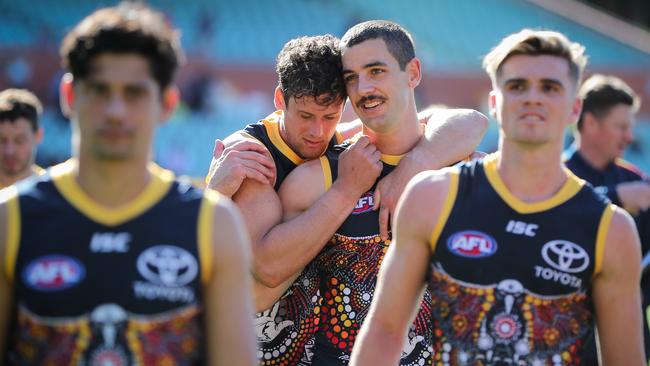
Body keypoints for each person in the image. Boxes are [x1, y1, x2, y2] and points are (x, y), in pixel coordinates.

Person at [350, 29, 645, 366]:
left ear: (574, 108)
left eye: (550, 87)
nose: (533, 98)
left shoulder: (612, 230)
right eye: (517, 86)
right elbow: (385, 331)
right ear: (494, 101)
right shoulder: (432, 196)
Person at [206, 34, 487, 365]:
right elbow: (262, 283)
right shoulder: (252, 156)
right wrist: (347, 190)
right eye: (306, 116)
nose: (317, 132)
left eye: (330, 117)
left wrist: (413, 166)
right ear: (280, 100)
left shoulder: (331, 137)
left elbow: (469, 122)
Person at [0, 3, 256, 365]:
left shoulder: (214, 225)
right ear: (70, 96)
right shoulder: (10, 219)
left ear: (167, 102)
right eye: (100, 90)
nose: (115, 110)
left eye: (134, 93)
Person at [564, 74, 650, 362]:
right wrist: (615, 197)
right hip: (566, 333)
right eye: (621, 126)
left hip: (627, 330)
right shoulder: (554, 175)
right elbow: (554, 214)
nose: (629, 136)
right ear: (590, 123)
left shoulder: (636, 180)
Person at [0, 88, 45, 188]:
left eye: (19, 140)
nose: (9, 151)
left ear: (38, 136)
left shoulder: (51, 193)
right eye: (2, 140)